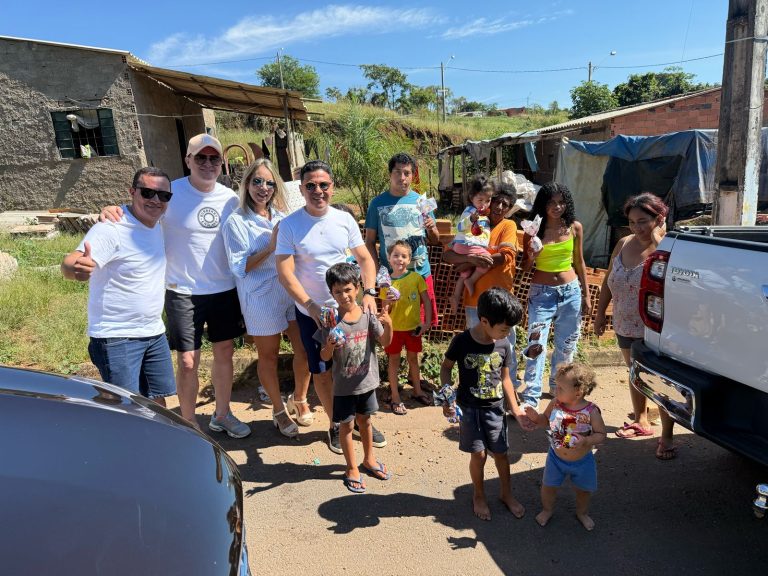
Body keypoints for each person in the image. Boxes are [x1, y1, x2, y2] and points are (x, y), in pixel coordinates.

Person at [100, 134, 249, 438]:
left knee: (224, 352)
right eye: (200, 158)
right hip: (182, 290)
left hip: (223, 289)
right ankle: (189, 422)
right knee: (187, 360)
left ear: (221, 163)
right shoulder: (172, 194)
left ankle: (222, 414)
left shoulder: (231, 198)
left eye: (214, 158)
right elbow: (140, 210)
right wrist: (109, 209)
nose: (207, 164)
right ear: (188, 160)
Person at [275, 160, 385, 454]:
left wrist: (370, 292)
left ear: (332, 188)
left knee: (354, 367)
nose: (317, 191)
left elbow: (364, 258)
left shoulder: (344, 220)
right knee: (322, 371)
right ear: (301, 189)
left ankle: (363, 421)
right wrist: (310, 306)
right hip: (312, 312)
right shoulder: (289, 225)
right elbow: (285, 273)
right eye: (310, 185)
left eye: (323, 185)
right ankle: (337, 423)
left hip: (346, 310)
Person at [61, 167, 176, 405]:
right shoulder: (112, 228)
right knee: (124, 407)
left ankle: (152, 442)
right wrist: (76, 270)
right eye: (147, 193)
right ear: (132, 192)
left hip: (153, 332)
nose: (156, 200)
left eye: (163, 195)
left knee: (158, 402)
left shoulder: (160, 223)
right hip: (117, 337)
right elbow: (70, 262)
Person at [221, 159, 312, 438]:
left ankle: (299, 397)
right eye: (257, 181)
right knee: (269, 356)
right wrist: (270, 248)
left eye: (270, 182)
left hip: (289, 290)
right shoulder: (236, 221)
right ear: (247, 183)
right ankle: (278, 410)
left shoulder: (282, 216)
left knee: (306, 349)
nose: (263, 187)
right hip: (260, 296)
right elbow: (238, 267)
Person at [594, 193, 675, 459]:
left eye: (644, 221)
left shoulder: (668, 248)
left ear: (659, 218)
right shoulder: (623, 243)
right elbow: (608, 280)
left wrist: (656, 239)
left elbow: (670, 279)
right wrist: (599, 315)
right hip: (624, 324)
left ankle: (667, 437)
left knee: (658, 382)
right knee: (634, 373)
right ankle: (641, 419)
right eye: (632, 221)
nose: (637, 227)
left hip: (654, 328)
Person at [439, 288, 531, 521]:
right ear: (484, 320)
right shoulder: (461, 341)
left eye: (509, 329)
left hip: (495, 409)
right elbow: (446, 368)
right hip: (469, 410)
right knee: (478, 455)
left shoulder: (504, 345)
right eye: (503, 329)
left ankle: (506, 494)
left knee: (501, 454)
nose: (507, 333)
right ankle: (478, 495)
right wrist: (448, 395)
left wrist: (516, 410)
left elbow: (507, 379)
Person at [318, 263, 393, 493]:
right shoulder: (330, 320)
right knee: (347, 426)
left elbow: (386, 343)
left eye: (348, 289)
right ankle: (351, 467)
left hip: (367, 382)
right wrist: (329, 343)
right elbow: (324, 356)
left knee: (366, 422)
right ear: (331, 293)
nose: (344, 295)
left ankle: (369, 459)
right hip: (343, 387)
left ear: (358, 288)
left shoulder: (368, 315)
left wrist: (388, 324)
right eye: (338, 291)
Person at [520, 182, 590, 408]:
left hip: (571, 292)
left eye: (561, 202)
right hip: (542, 294)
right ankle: (531, 395)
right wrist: (532, 253)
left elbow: (579, 262)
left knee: (566, 346)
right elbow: (525, 267)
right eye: (551, 202)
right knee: (535, 345)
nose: (556, 207)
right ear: (543, 204)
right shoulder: (532, 230)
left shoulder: (574, 227)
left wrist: (587, 294)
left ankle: (558, 390)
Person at [524, 363, 606, 531]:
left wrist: (587, 441)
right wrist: (535, 417)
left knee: (583, 491)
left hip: (582, 460)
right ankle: (547, 510)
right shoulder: (555, 403)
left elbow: (601, 434)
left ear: (578, 392)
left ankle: (582, 513)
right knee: (548, 486)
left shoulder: (591, 411)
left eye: (560, 388)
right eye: (556, 385)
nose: (556, 391)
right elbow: (545, 420)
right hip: (556, 457)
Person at [365, 152, 440, 328]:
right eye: (397, 172)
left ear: (413, 175)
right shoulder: (377, 203)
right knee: (392, 324)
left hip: (420, 275)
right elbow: (369, 242)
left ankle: (414, 356)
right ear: (390, 174)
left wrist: (431, 228)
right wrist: (379, 272)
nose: (402, 177)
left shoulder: (422, 202)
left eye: (407, 173)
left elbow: (435, 240)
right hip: (391, 277)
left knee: (420, 324)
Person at [442, 181, 519, 338]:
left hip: (502, 301)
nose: (499, 207)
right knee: (477, 350)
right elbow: (447, 254)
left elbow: (505, 256)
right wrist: (470, 258)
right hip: (475, 301)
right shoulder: (474, 219)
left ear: (509, 209)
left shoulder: (508, 225)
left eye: (506, 205)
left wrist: (468, 262)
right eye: (497, 201)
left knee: (504, 351)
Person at [379, 240, 433, 415]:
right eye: (396, 255)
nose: (399, 259)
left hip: (413, 329)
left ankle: (417, 391)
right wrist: (389, 302)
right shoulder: (385, 283)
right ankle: (395, 395)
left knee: (413, 360)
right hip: (394, 330)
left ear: (409, 260)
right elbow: (385, 310)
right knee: (393, 361)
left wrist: (426, 323)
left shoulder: (417, 278)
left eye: (404, 256)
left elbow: (426, 300)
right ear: (389, 258)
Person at [448, 176, 494, 314]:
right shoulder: (470, 211)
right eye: (480, 200)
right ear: (471, 197)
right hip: (465, 245)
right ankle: (472, 281)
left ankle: (455, 297)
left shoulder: (484, 215)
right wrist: (470, 219)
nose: (484, 204)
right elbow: (461, 226)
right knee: (487, 260)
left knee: (464, 274)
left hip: (468, 247)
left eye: (488, 200)